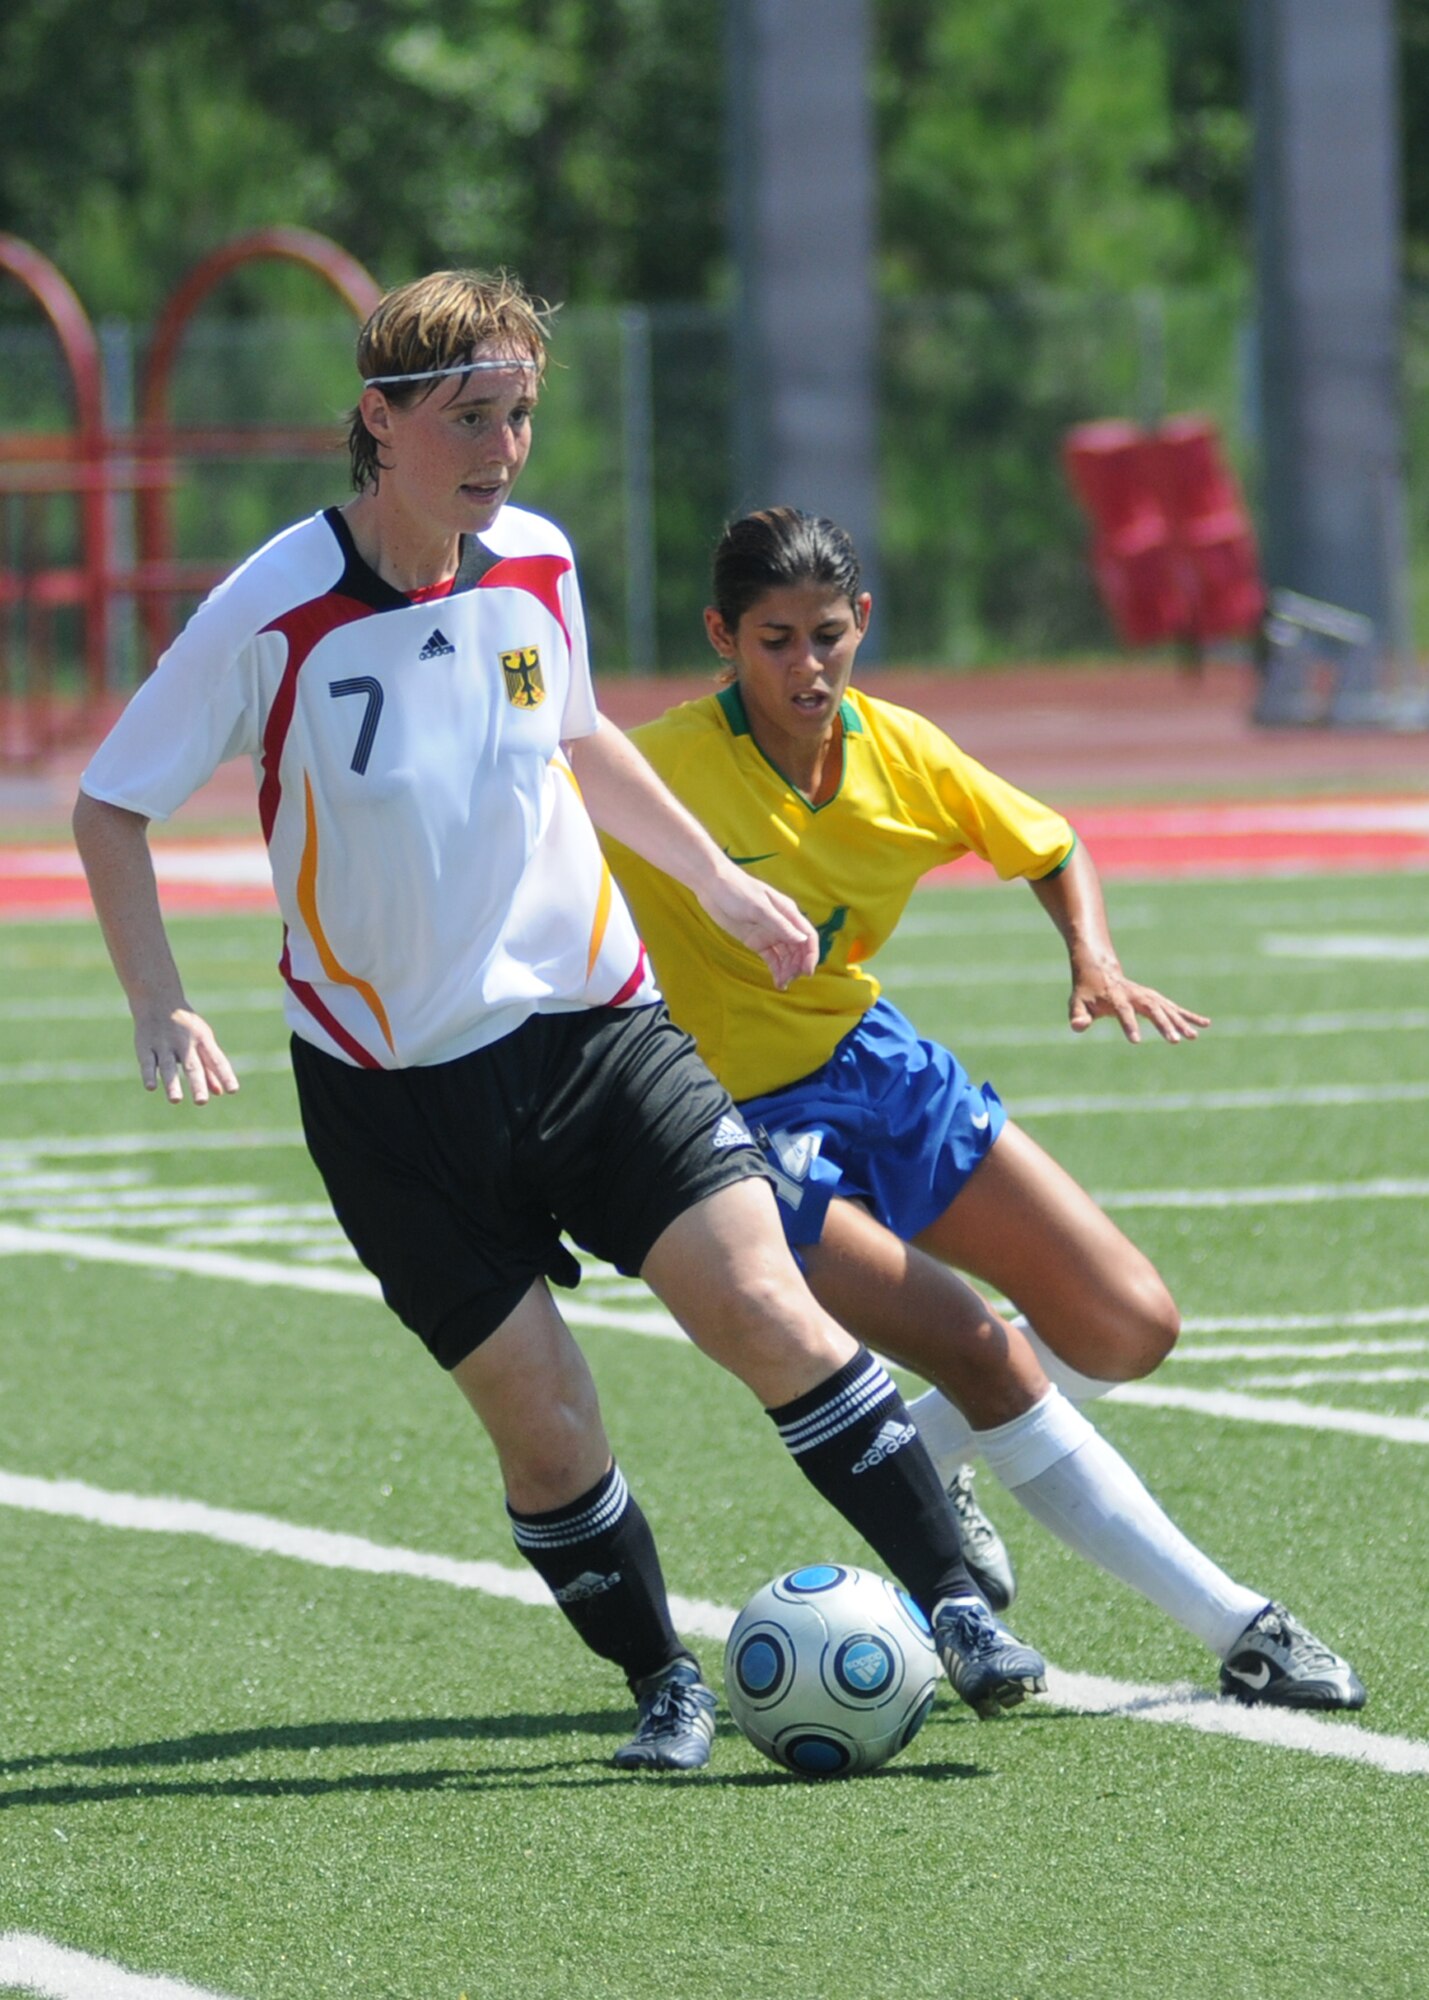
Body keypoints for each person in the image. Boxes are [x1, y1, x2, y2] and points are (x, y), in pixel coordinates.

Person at [72, 275, 1051, 1778]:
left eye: (521, 412)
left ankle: (959, 1611)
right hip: (390, 1097)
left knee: (765, 1311)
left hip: (597, 1036)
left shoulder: (535, 562)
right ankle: (663, 1678)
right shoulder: (273, 609)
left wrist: (716, 886)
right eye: (471, 415)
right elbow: (110, 804)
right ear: (379, 421)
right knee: (546, 1420)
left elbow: (579, 732)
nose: (504, 448)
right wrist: (161, 1002)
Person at [600, 504, 1365, 1712]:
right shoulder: (659, 768)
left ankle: (926, 1455)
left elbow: (1053, 846)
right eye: (775, 639)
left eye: (828, 634)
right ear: (722, 638)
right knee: (983, 1346)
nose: (807, 666)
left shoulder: (903, 750)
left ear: (864, 625)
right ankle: (1242, 1627)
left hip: (875, 1064)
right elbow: (529, 851)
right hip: (731, 1124)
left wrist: (1092, 954)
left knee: (1127, 1322)